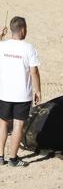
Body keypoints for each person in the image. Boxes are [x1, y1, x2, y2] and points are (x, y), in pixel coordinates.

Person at [0, 16, 41, 167]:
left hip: (4, 92)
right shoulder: (29, 48)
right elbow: (34, 72)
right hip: (21, 95)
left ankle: (0, 156)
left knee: (3, 123)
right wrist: (38, 90)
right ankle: (13, 158)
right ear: (23, 29)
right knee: (17, 125)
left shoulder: (2, 46)